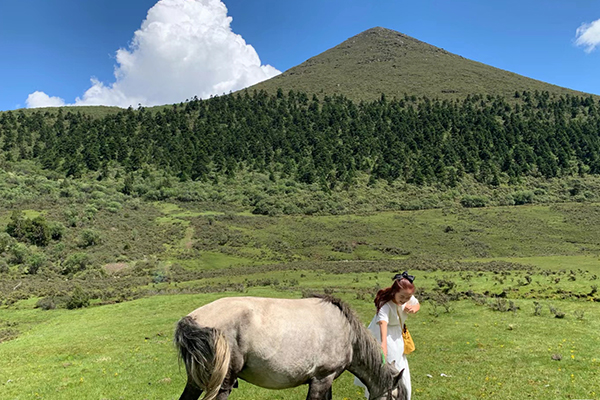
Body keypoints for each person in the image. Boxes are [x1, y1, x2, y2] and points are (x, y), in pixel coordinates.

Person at [354, 271, 420, 399]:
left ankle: (402, 393)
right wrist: (383, 345)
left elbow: (416, 303)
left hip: (398, 334)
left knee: (400, 361)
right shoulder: (385, 305)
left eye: (407, 298)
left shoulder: (407, 297)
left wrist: (414, 308)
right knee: (385, 364)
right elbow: (382, 324)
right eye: (402, 297)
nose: (404, 300)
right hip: (383, 334)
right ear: (394, 291)